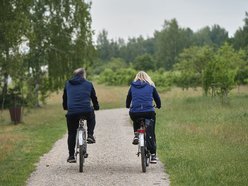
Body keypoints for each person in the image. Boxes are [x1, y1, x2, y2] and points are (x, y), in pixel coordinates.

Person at [62, 68, 99, 163]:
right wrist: (96, 106)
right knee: (91, 116)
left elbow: (65, 98)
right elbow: (93, 97)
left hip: (72, 112)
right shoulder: (88, 84)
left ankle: (71, 156)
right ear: (83, 75)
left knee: (71, 133)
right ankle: (90, 135)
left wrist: (66, 107)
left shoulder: (68, 84)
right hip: (86, 110)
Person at [126, 71, 161, 164]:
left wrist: (127, 106)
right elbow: (157, 98)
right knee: (151, 132)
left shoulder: (132, 86)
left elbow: (128, 98)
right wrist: (159, 105)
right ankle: (153, 155)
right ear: (147, 78)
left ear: (136, 78)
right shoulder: (151, 86)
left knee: (136, 119)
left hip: (135, 113)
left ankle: (136, 134)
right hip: (149, 112)